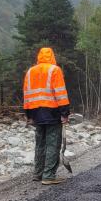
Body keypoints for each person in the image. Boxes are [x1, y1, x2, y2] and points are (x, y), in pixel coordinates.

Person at [23, 47, 70, 185]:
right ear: (52, 56)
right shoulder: (54, 70)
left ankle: (38, 173)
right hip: (52, 111)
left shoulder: (30, 71)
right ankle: (49, 175)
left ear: (39, 56)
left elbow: (26, 95)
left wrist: (28, 115)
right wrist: (65, 113)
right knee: (53, 144)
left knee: (40, 143)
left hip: (36, 112)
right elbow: (60, 93)